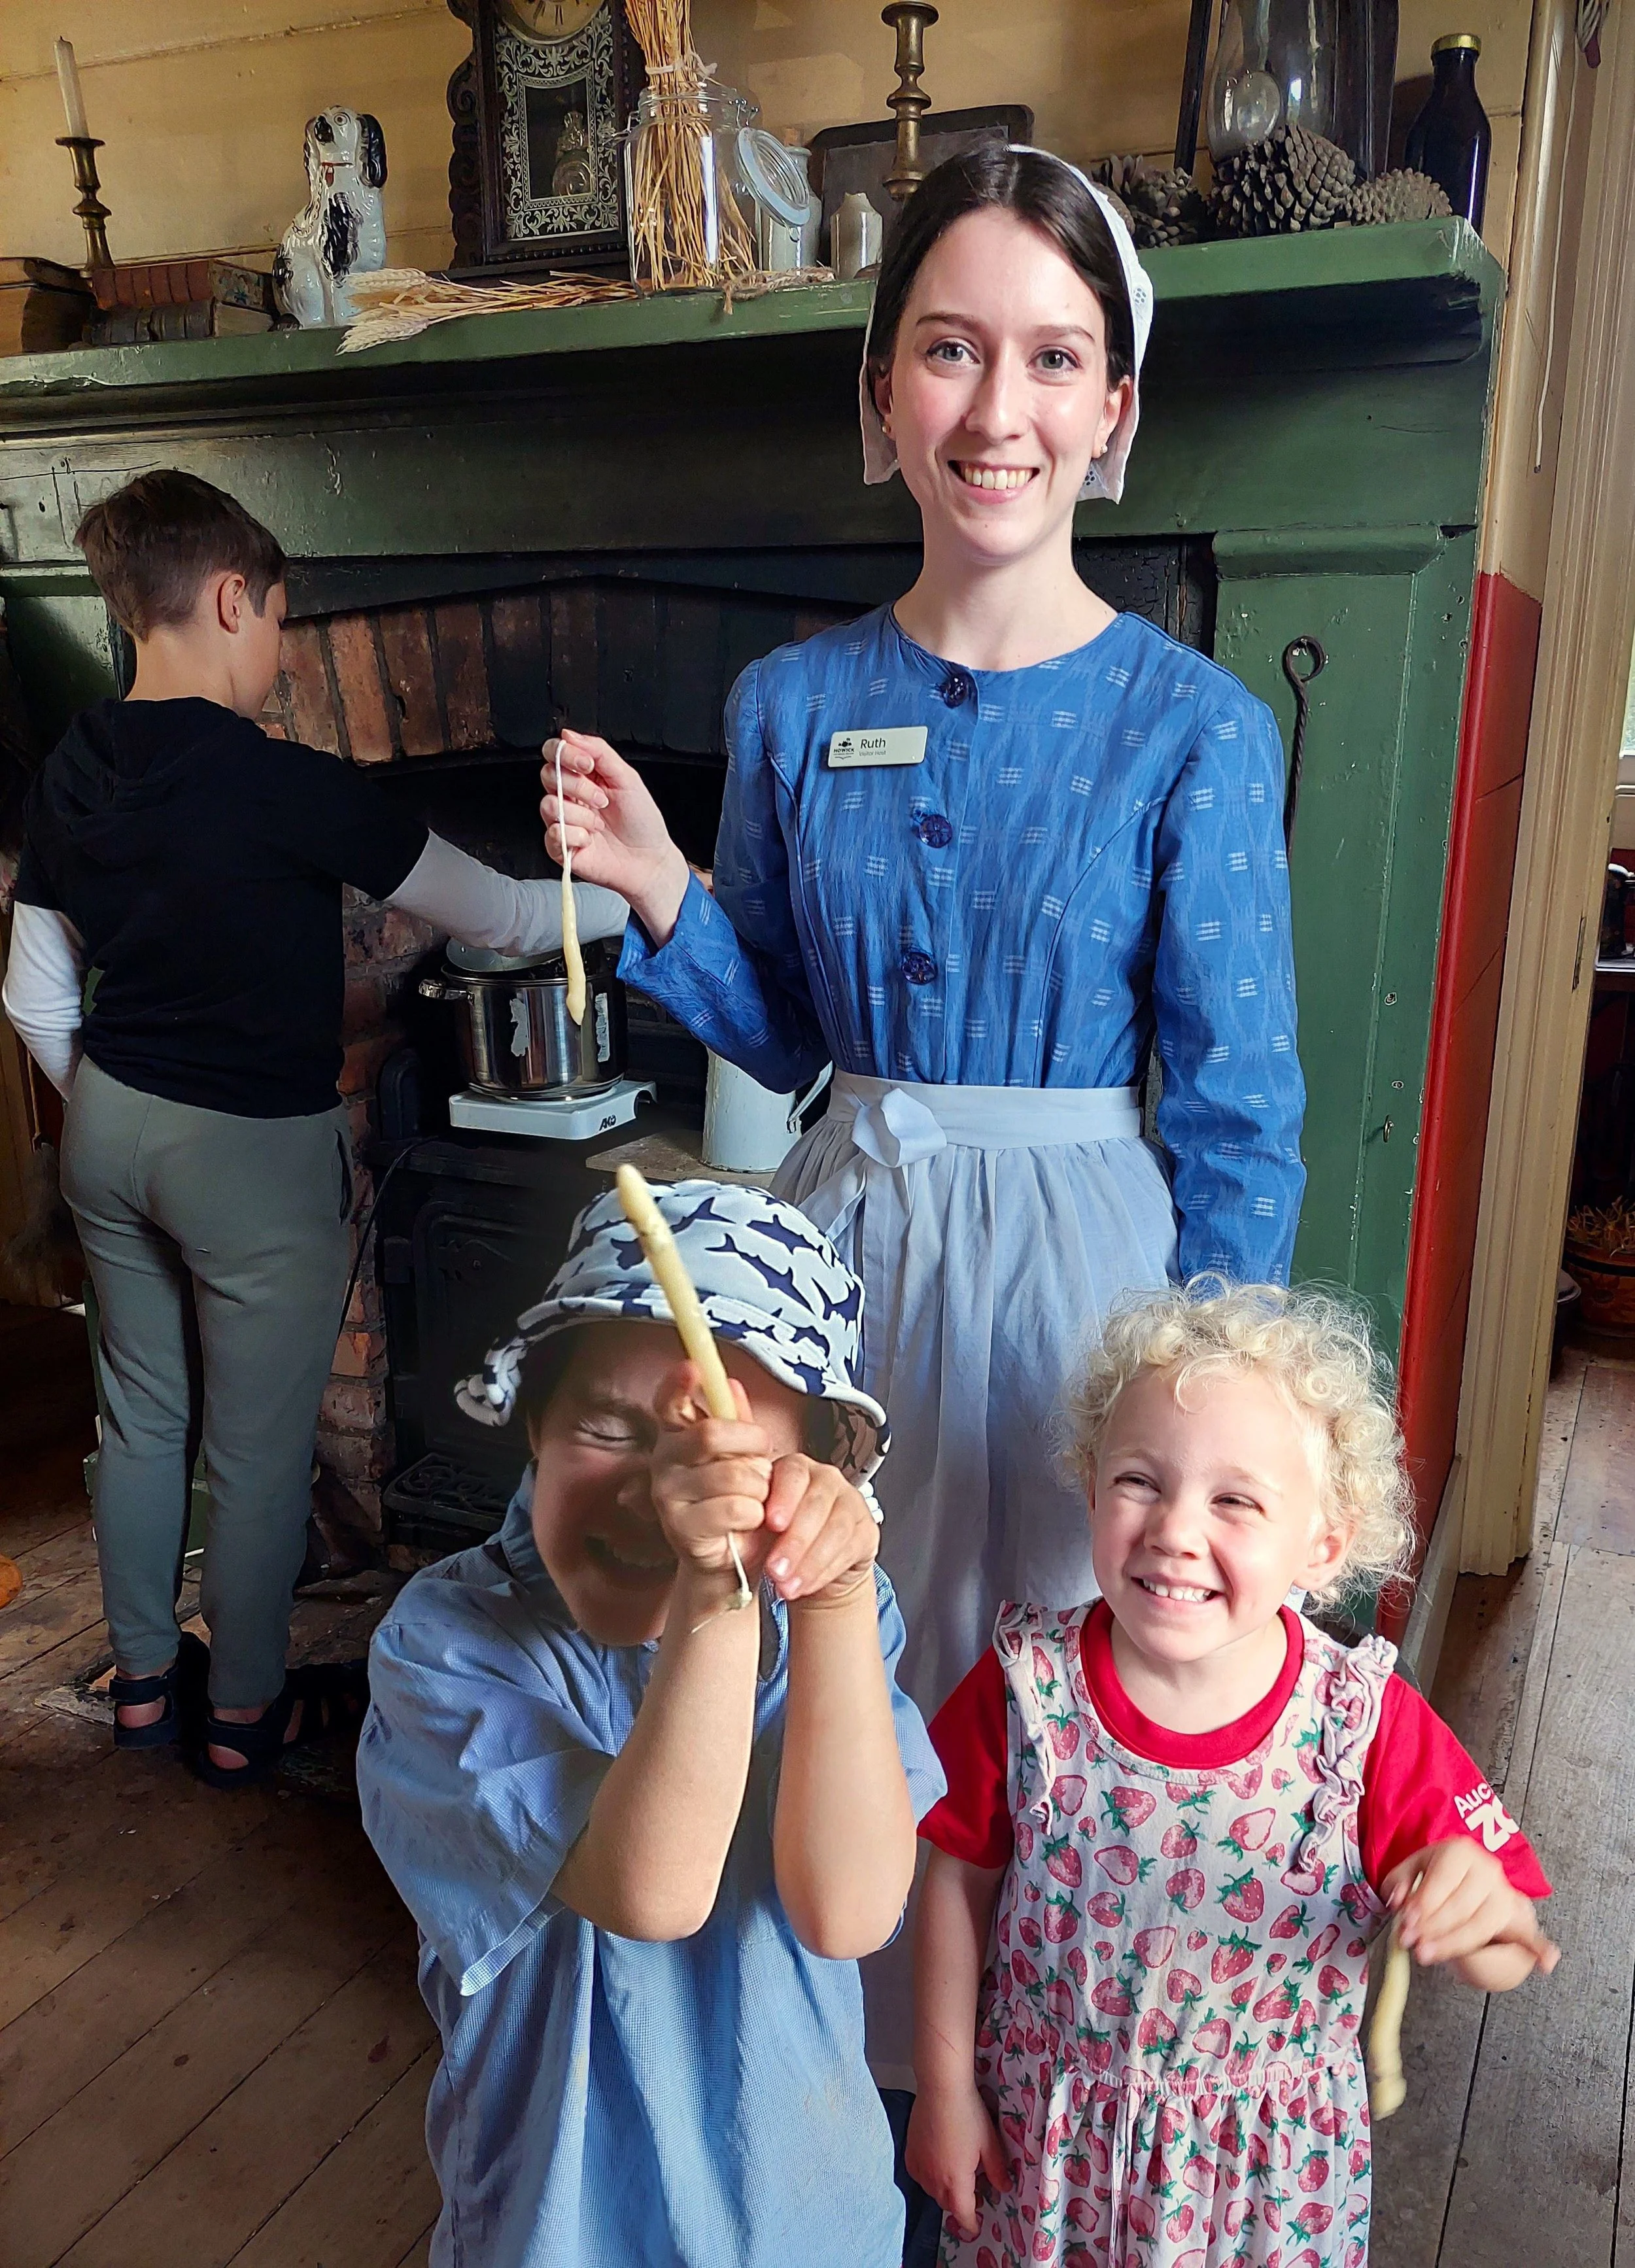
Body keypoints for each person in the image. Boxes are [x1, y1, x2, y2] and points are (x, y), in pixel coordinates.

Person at [542, 143, 1306, 2095]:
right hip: (844, 1257)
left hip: (1082, 1291)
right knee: (819, 1650)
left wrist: (1223, 1425)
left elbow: (1236, 1104)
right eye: (951, 350)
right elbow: (792, 1031)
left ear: (1113, 410)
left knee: (1051, 1679)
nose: (999, 408)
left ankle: (1021, 2105)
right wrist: (659, 892)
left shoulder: (1193, 727)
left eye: (1054, 360)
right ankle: (837, 2099)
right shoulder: (794, 703)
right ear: (883, 389)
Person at [0, 469, 598, 1784]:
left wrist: (110, 1095)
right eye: (276, 620)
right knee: (260, 1452)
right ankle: (244, 1718)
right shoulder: (282, 785)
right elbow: (496, 916)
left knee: (144, 1421)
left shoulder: (72, 769)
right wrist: (640, 895)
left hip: (108, 1133)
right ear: (231, 599)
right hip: (249, 1155)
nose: (278, 649)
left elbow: (33, 994)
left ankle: (150, 1689)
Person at [907, 1280, 1558, 2268]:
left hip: (1266, 2181)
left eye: (1235, 1501)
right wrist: (945, 2090)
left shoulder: (1361, 1724)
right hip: (1049, 2151)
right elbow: (956, 1880)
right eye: (1138, 1481)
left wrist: (1482, 1916)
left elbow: (1508, 1948)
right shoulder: (1022, 1689)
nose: (1173, 1529)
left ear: (1324, 1545)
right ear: (1088, 1487)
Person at [356, 1180, 944, 2268]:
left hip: (810, 2225)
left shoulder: (841, 1616)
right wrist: (712, 1586)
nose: (657, 1500)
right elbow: (652, 1893)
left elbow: (852, 1910)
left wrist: (828, 1601)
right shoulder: (444, 1646)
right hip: (564, 2230)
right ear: (531, 1426)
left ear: (819, 1475)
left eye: (731, 1469)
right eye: (603, 1430)